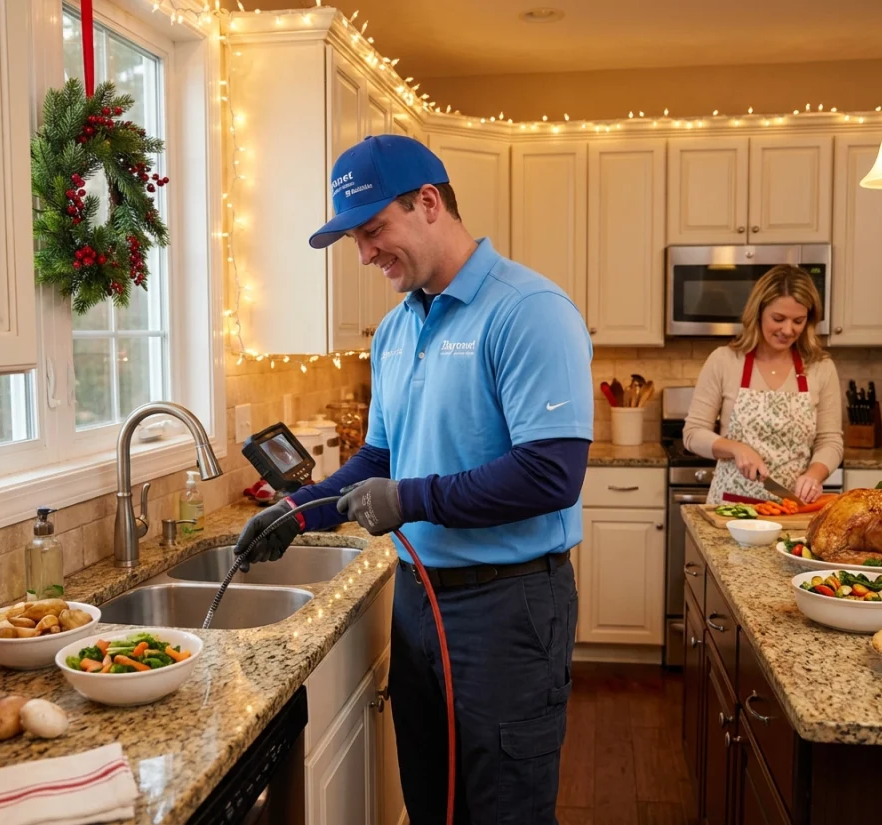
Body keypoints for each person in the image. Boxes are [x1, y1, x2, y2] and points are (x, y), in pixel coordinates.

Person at [233, 134, 594, 824]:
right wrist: (300, 511)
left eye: (373, 231)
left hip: (509, 608)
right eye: (355, 240)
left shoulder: (528, 311)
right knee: (430, 802)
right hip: (418, 602)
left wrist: (411, 499)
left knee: (504, 810)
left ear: (429, 203)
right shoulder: (396, 330)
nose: (366, 255)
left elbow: (553, 473)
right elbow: (379, 457)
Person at [683, 264, 843, 505]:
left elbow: (830, 441)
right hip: (731, 509)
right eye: (778, 318)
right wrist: (736, 448)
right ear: (757, 313)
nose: (788, 330)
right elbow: (693, 434)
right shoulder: (724, 360)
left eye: (798, 321)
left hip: (791, 509)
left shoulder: (821, 367)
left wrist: (813, 475)